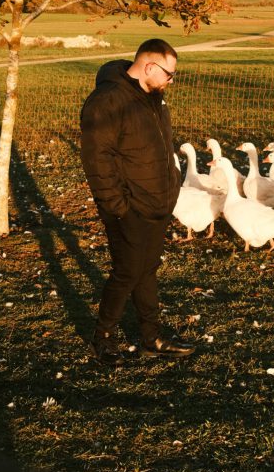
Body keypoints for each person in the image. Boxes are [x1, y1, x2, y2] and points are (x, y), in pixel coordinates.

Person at [80, 38, 195, 366]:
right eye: (169, 74)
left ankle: (151, 336)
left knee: (147, 270)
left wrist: (170, 189)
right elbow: (97, 160)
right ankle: (102, 338)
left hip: (157, 202)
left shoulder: (154, 98)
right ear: (148, 66)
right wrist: (118, 206)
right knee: (127, 272)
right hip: (127, 207)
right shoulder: (108, 101)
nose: (171, 81)